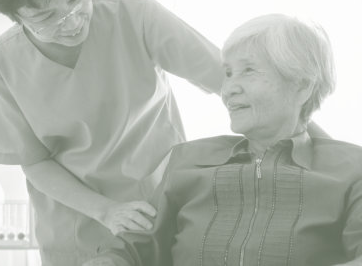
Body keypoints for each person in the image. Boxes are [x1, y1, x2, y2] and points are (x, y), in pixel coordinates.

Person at [0, 0, 223, 265]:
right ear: (15, 17)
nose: (73, 21)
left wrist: (318, 157)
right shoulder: (3, 64)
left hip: (158, 218)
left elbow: (236, 82)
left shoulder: (136, 16)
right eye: (47, 18)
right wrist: (106, 211)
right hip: (75, 236)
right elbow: (34, 162)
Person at [84, 14, 362, 266]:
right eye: (228, 73)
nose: (229, 89)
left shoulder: (351, 170)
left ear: (302, 85)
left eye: (248, 71)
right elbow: (135, 248)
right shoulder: (188, 159)